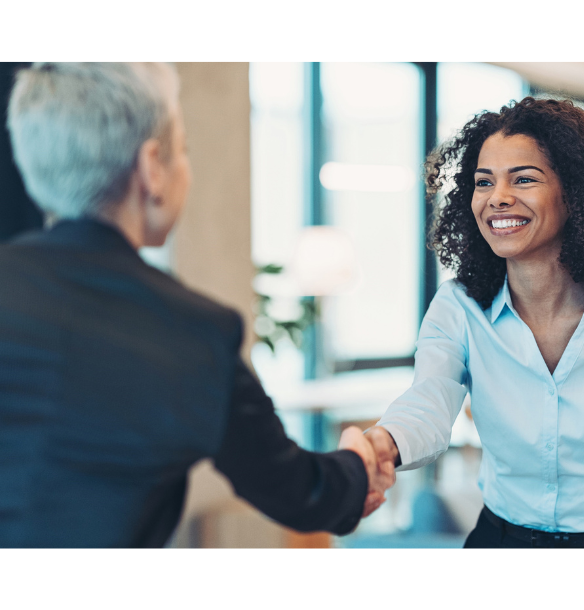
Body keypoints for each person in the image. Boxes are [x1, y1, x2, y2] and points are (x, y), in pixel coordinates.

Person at [0, 62, 390, 547]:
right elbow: (300, 492)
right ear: (151, 168)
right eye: (182, 149)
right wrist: (357, 462)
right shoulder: (192, 332)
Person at [364, 97, 584, 548]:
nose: (498, 198)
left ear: (576, 193)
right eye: (483, 182)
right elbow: (429, 403)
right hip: (500, 544)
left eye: (524, 179)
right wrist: (383, 443)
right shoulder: (458, 307)